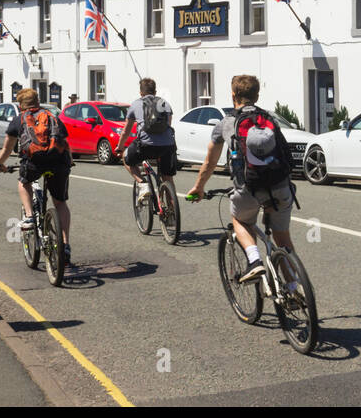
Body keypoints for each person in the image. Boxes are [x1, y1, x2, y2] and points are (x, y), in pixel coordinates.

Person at [186, 74, 295, 283]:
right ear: (257, 95)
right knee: (282, 238)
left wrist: (199, 187)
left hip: (249, 187)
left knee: (241, 220)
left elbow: (210, 162)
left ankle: (255, 262)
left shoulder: (227, 123)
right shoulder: (270, 118)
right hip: (280, 185)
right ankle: (293, 287)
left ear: (233, 94)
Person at [0, 88, 72, 264]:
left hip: (34, 163)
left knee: (24, 182)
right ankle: (65, 244)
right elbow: (65, 143)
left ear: (21, 105)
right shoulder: (53, 117)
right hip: (58, 163)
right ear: (38, 101)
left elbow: (6, 148)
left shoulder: (19, 120)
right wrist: (69, 162)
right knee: (60, 202)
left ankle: (28, 216)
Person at [116, 78, 177, 202]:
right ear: (155, 91)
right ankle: (172, 210)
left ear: (141, 93)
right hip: (168, 146)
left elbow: (125, 131)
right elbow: (168, 126)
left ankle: (143, 184)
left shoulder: (136, 104)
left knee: (126, 158)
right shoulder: (165, 103)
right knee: (168, 177)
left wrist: (120, 147)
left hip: (145, 145)